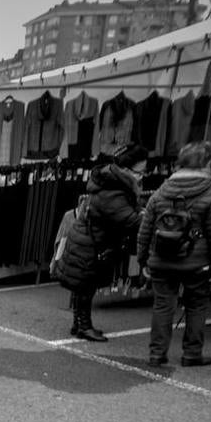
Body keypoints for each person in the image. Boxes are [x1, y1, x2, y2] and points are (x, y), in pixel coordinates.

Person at [137, 141, 211, 367]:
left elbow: (145, 229)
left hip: (162, 259)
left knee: (162, 305)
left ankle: (157, 353)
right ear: (207, 163)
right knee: (196, 306)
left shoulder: (161, 191)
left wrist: (143, 259)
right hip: (196, 262)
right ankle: (192, 353)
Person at [55, 144, 147, 341]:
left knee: (84, 286)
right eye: (140, 172)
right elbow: (129, 220)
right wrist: (147, 216)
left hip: (89, 240)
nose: (142, 176)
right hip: (91, 243)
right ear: (126, 170)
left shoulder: (110, 182)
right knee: (86, 287)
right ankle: (84, 326)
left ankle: (79, 324)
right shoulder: (113, 190)